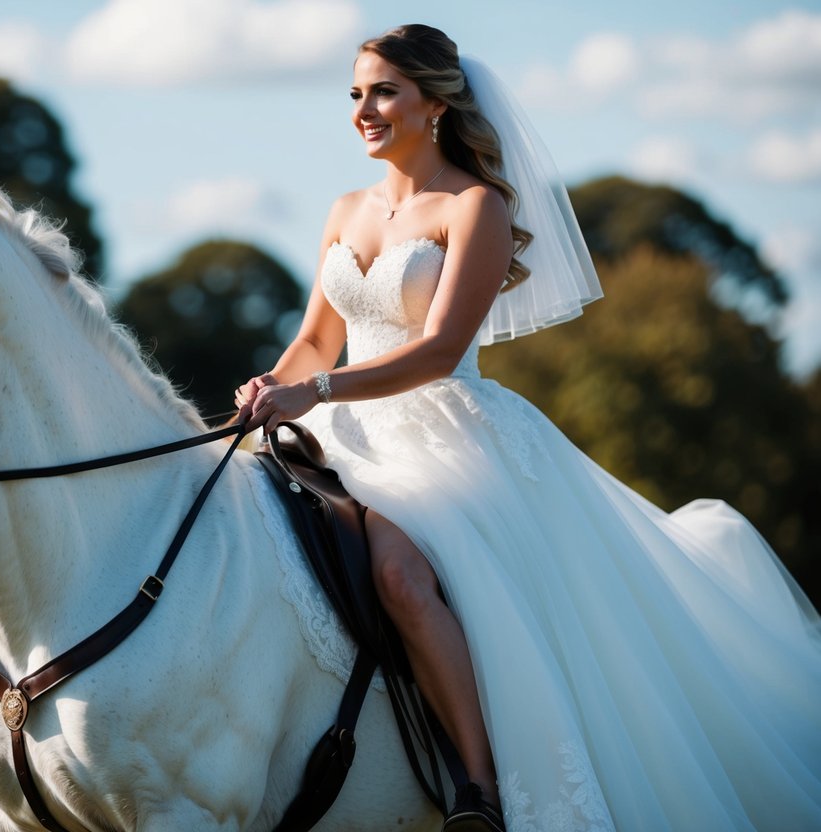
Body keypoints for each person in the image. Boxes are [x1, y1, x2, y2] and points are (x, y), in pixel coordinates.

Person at [235, 24, 821, 832]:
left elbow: (439, 350)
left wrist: (321, 390)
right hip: (339, 426)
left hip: (441, 435)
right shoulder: (344, 209)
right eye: (355, 94)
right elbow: (314, 338)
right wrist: (279, 380)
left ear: (435, 103)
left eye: (382, 91)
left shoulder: (478, 207)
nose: (363, 110)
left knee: (402, 578)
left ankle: (477, 790)